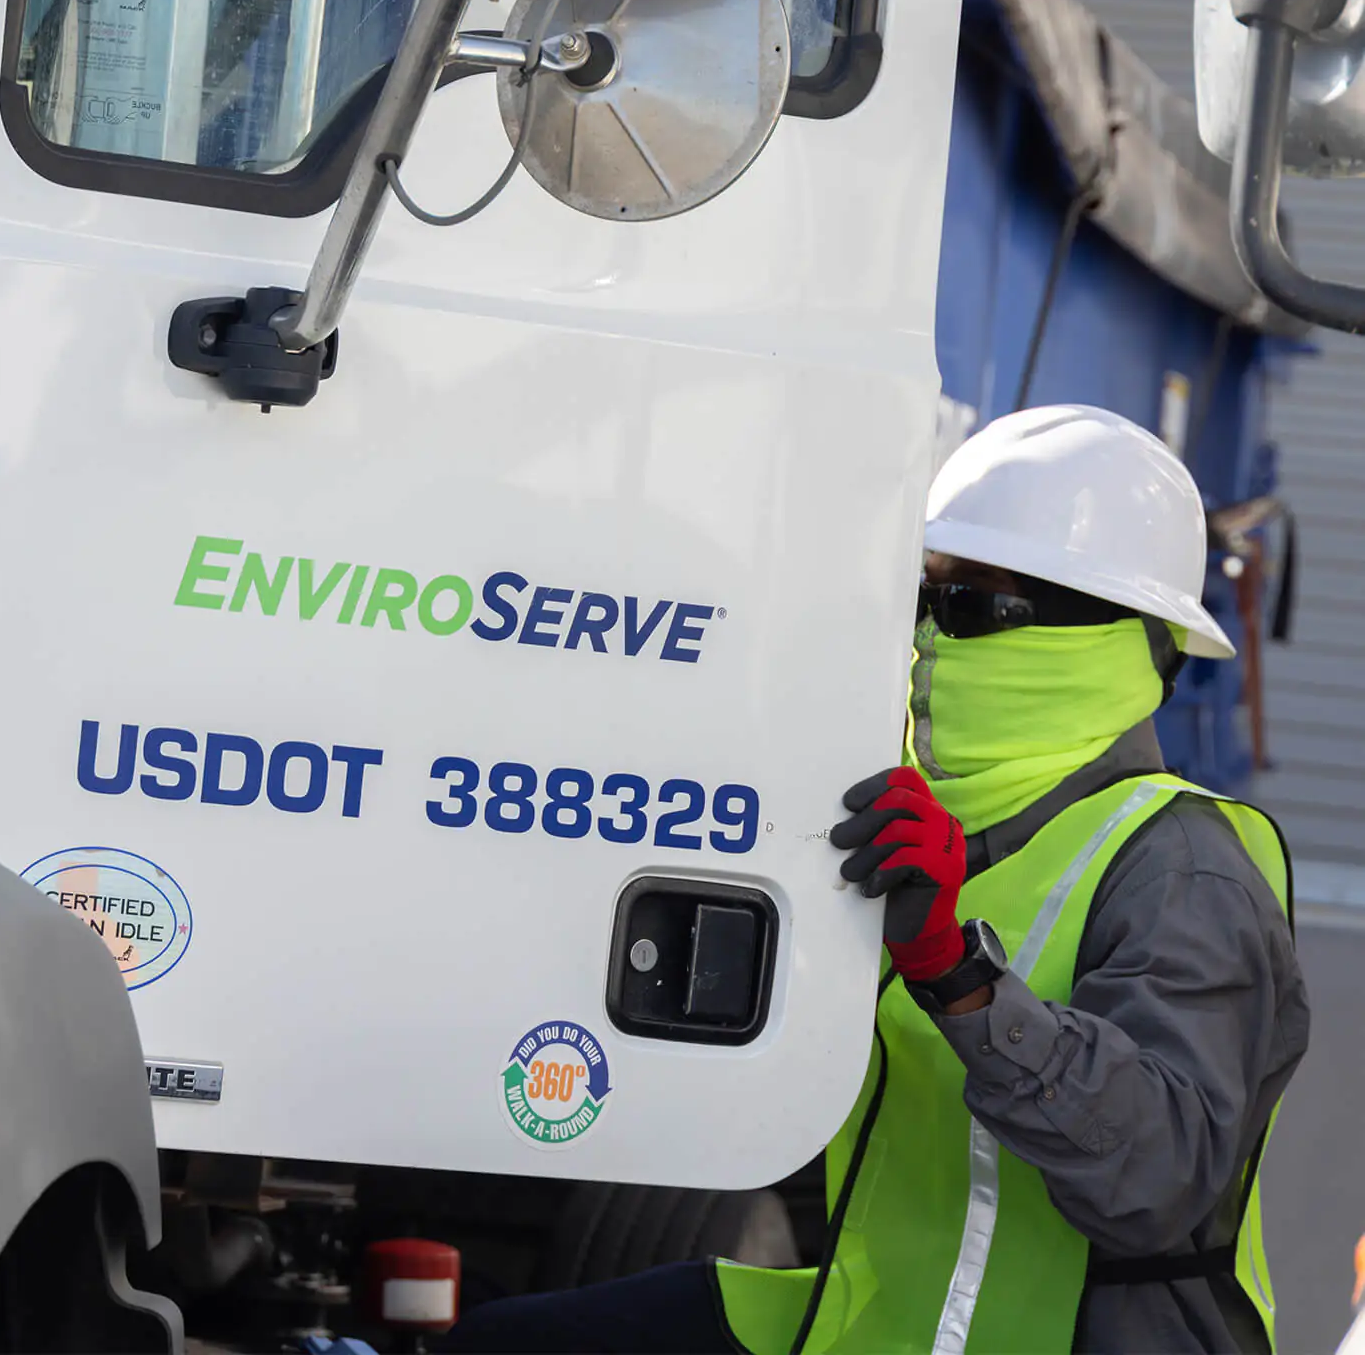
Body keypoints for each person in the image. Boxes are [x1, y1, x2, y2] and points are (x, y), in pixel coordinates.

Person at [444, 404, 1310, 1355]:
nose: (932, 638)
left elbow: (1156, 1178)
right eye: (923, 600)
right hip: (884, 1318)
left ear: (1107, 637)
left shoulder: (1182, 869)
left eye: (974, 606)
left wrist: (958, 976)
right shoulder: (928, 824)